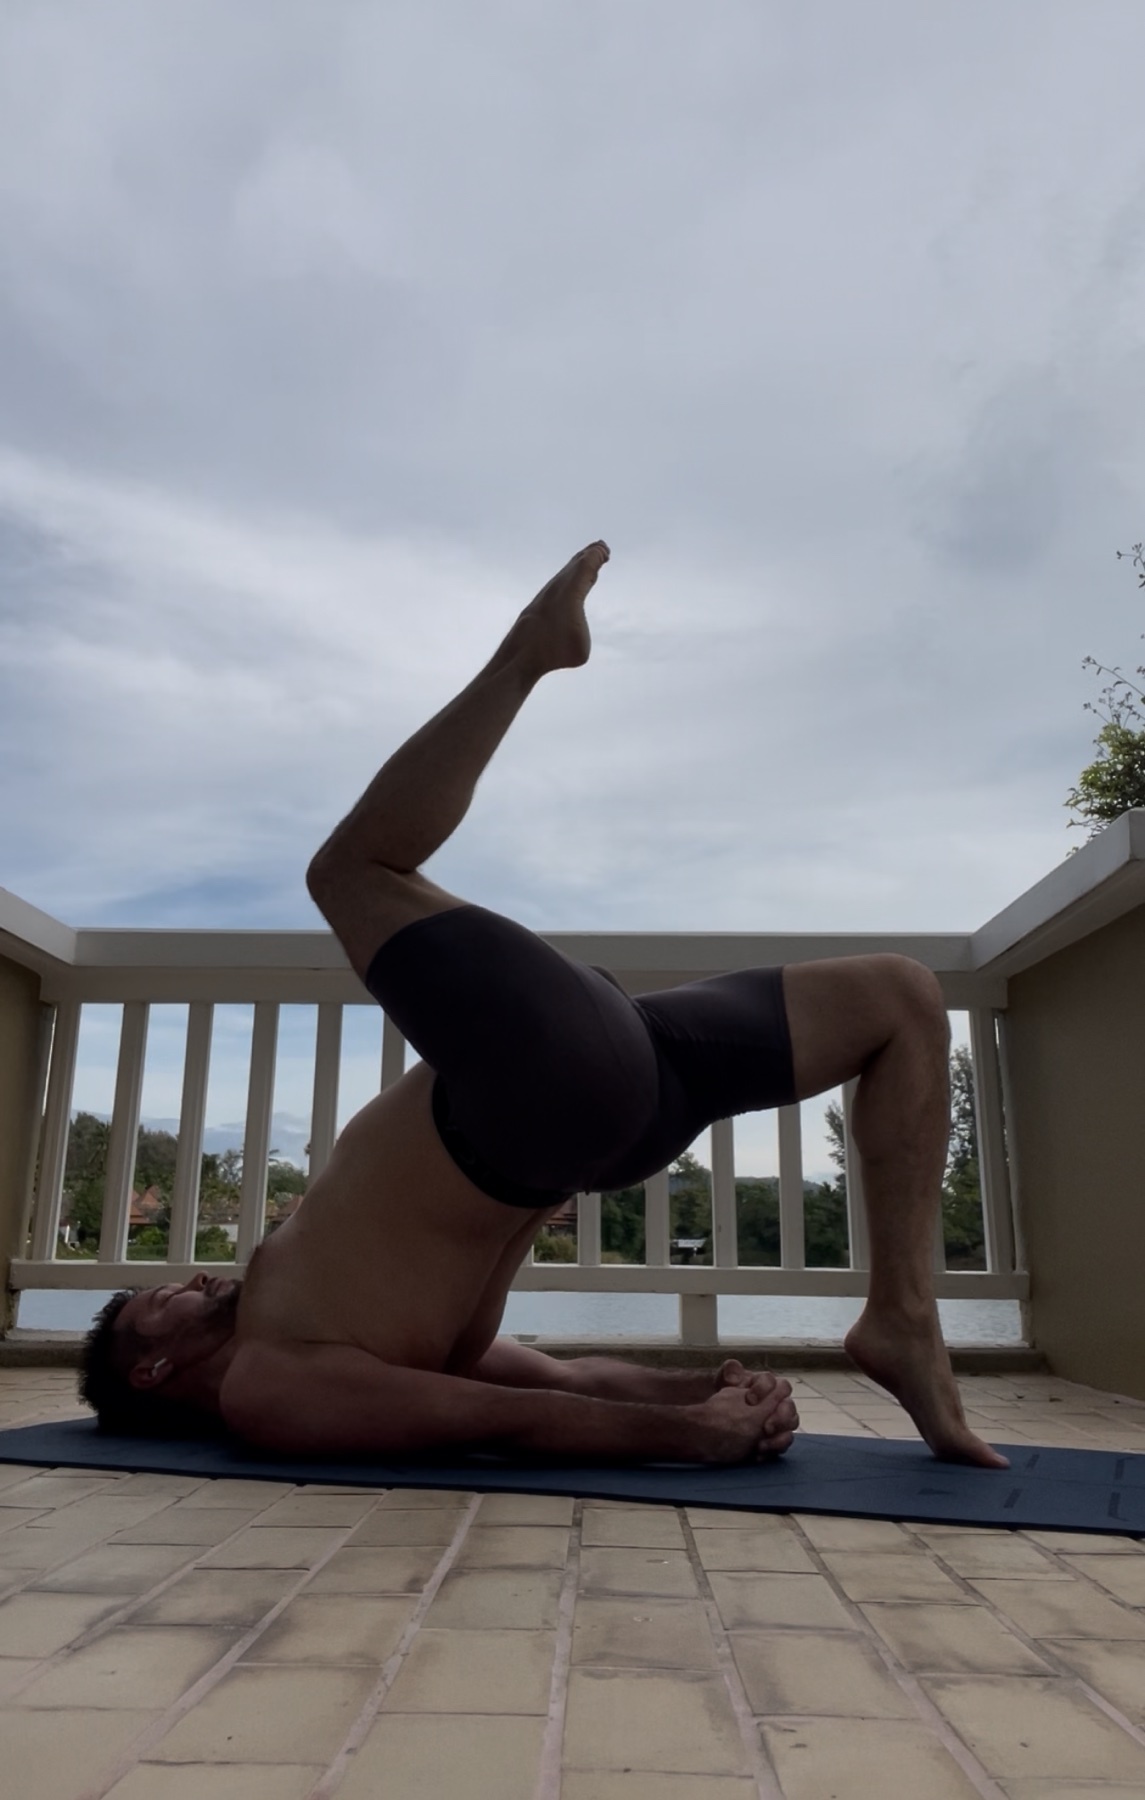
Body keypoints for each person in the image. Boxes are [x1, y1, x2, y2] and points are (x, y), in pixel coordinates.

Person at [81, 542, 1008, 1470]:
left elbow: (566, 1381)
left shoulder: (356, 1335)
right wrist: (691, 1435)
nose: (192, 1276)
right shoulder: (271, 1383)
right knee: (350, 873)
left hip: (613, 1092)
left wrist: (716, 1391)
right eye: (161, 1300)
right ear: (152, 1369)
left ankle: (901, 1316)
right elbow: (505, 1422)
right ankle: (528, 655)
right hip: (543, 1096)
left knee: (900, 997)